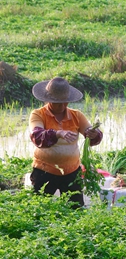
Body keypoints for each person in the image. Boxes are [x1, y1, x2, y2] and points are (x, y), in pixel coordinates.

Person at [28, 77, 103, 208]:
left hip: (72, 173)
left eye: (65, 102)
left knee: (76, 209)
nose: (62, 106)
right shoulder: (38, 114)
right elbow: (37, 136)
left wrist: (93, 134)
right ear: (49, 100)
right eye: (58, 103)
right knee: (40, 210)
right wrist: (57, 133)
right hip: (44, 172)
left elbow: (91, 134)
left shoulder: (76, 115)